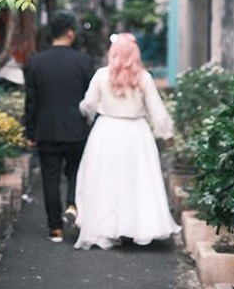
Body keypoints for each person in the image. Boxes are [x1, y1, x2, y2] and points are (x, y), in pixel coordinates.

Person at [73, 32, 181, 250]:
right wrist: (167, 134)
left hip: (106, 131)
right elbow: (157, 112)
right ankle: (135, 227)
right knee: (136, 181)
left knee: (105, 181)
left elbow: (88, 104)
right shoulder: (144, 78)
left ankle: (107, 228)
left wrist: (87, 115)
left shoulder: (102, 75)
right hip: (136, 133)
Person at [24, 10, 94, 243]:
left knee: (50, 178)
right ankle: (73, 204)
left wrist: (30, 132)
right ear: (70, 33)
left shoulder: (35, 62)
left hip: (47, 130)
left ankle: (55, 228)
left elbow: (31, 101)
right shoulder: (83, 62)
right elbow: (90, 99)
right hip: (77, 129)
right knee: (75, 171)